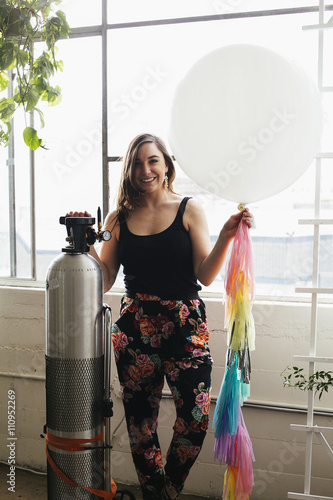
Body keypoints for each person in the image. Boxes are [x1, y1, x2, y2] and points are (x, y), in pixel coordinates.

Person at [68, 133, 253, 500]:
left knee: (196, 420)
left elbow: (204, 274)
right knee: (141, 425)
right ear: (130, 170)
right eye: (137, 163)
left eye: (152, 161)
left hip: (185, 326)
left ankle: (165, 491)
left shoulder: (189, 209)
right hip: (135, 328)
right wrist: (86, 243)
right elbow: (104, 279)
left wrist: (227, 236)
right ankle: (155, 494)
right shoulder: (120, 216)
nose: (145, 170)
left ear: (166, 164)